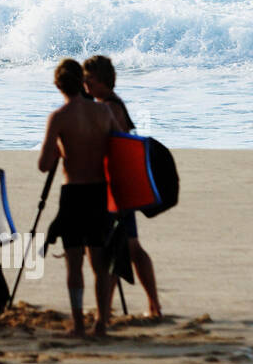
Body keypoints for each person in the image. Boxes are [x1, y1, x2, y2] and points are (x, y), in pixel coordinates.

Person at [39, 58, 122, 337]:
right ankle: (100, 322)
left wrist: (62, 150)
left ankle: (78, 323)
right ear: (82, 82)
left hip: (73, 193)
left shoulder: (59, 117)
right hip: (99, 193)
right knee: (99, 262)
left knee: (74, 263)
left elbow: (43, 164)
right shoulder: (103, 113)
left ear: (57, 85)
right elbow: (121, 146)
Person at [82, 55, 162, 317]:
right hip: (117, 186)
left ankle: (147, 304)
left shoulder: (110, 107)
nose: (85, 84)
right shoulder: (107, 105)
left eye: (89, 79)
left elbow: (112, 146)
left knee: (124, 248)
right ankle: (144, 304)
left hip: (116, 188)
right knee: (127, 247)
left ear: (103, 81)